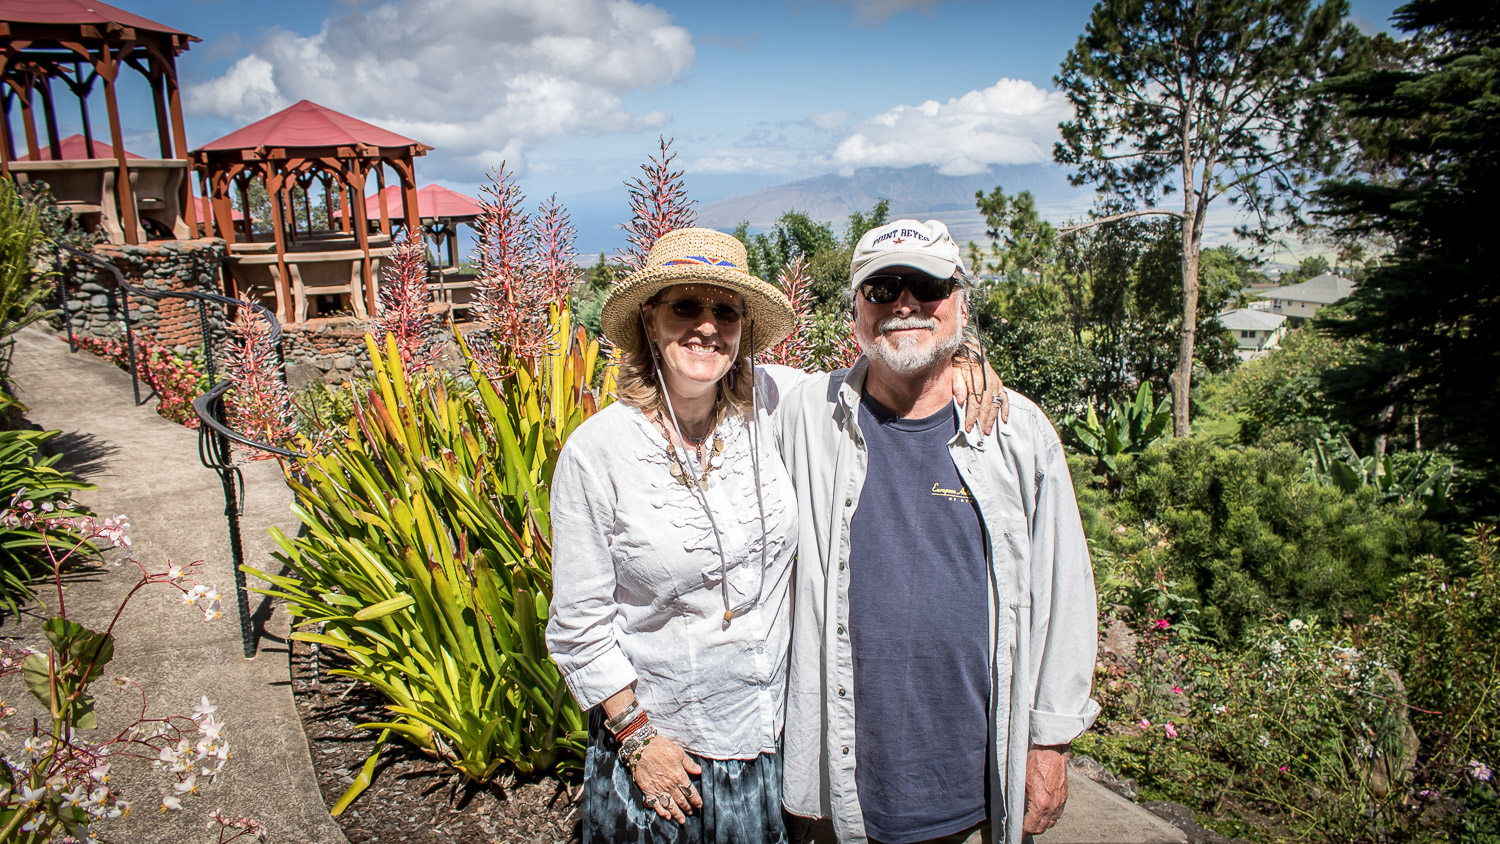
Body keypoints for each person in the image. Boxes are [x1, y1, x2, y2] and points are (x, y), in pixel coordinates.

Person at [547, 227, 1002, 843]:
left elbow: (888, 366)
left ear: (744, 330)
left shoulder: (775, 401)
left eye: (725, 311)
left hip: (771, 748)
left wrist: (964, 357)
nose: (707, 326)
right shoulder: (597, 453)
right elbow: (579, 624)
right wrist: (637, 738)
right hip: (665, 753)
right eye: (686, 306)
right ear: (649, 321)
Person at [777, 220, 1100, 844]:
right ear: (855, 314)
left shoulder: (1015, 433)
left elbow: (1064, 592)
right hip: (836, 777)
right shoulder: (805, 415)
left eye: (927, 285)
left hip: (970, 781)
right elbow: (705, 377)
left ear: (961, 303)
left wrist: (1051, 741)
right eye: (883, 287)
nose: (905, 303)